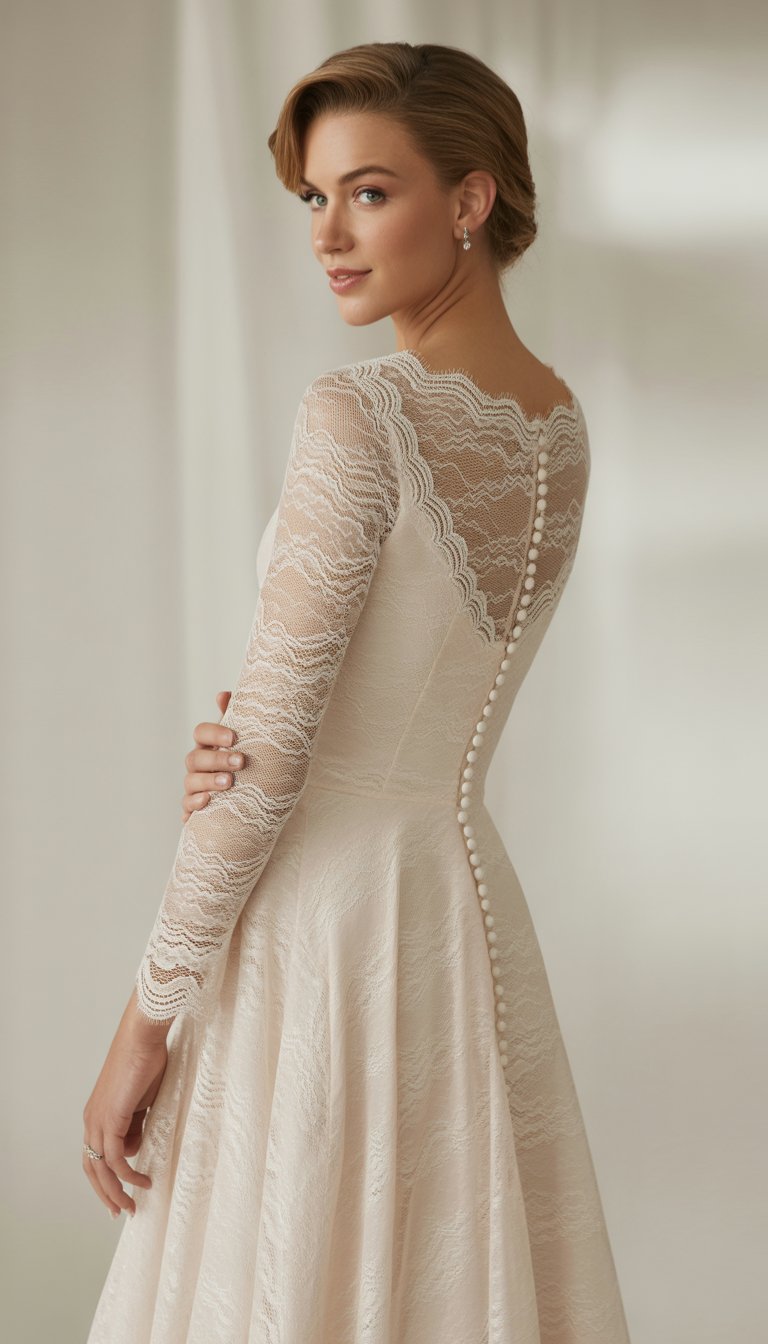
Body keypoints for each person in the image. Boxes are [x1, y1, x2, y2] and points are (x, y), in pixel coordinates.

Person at [84, 40, 632, 1343]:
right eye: (313, 197)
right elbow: (385, 696)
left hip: (322, 931)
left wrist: (142, 1024)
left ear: (472, 198)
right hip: (457, 904)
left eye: (369, 191)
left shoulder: (363, 415)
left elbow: (272, 756)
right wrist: (267, 736)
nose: (329, 233)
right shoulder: (560, 427)